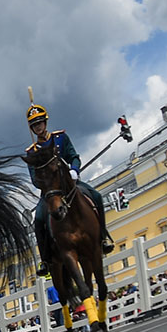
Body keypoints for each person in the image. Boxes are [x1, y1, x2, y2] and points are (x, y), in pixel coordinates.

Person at [25, 99, 115, 277]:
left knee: (96, 196)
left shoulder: (61, 138)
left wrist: (74, 170)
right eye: (34, 125)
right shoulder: (32, 151)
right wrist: (44, 184)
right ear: (32, 128)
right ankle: (45, 259)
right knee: (40, 218)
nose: (38, 127)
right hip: (51, 192)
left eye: (40, 123)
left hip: (70, 183)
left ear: (45, 122)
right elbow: (34, 179)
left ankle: (103, 237)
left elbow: (74, 157)